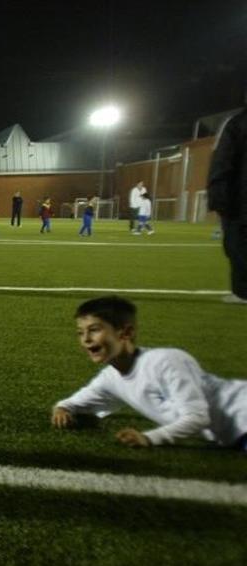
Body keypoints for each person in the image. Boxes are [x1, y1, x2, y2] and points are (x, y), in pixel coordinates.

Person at [52, 296, 246, 450]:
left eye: (94, 330)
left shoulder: (165, 361)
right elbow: (72, 404)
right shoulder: (110, 378)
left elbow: (197, 417)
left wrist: (148, 438)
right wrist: (62, 410)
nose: (85, 339)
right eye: (80, 332)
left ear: (126, 333)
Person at [208, 105, 247, 303]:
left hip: (239, 201)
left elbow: (222, 161)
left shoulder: (236, 124)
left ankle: (243, 292)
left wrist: (218, 198)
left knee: (237, 243)